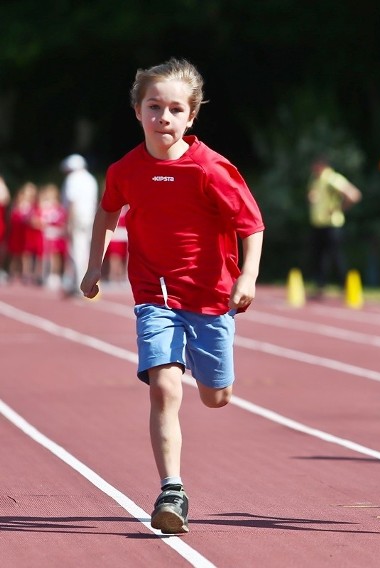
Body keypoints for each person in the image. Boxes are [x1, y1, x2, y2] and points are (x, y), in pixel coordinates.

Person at [80, 58, 265, 535]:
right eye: (154, 106)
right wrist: (94, 265)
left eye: (175, 109)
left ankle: (214, 377)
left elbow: (252, 225)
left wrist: (246, 279)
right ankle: (172, 489)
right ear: (137, 111)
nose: (164, 116)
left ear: (191, 116)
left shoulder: (212, 169)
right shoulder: (125, 170)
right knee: (164, 387)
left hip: (210, 296)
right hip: (154, 293)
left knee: (215, 397)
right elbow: (106, 215)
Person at [307, 157, 361, 296]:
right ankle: (320, 285)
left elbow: (353, 195)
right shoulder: (315, 180)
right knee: (318, 256)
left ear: (321, 165)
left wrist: (339, 209)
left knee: (336, 256)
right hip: (318, 224)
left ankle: (345, 285)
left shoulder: (332, 179)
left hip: (332, 224)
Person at [60, 153, 99, 296]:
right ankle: (81, 281)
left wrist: (68, 222)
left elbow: (72, 201)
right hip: (90, 218)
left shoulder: (72, 179)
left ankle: (79, 284)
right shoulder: (90, 179)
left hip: (77, 218)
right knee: (86, 250)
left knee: (76, 250)